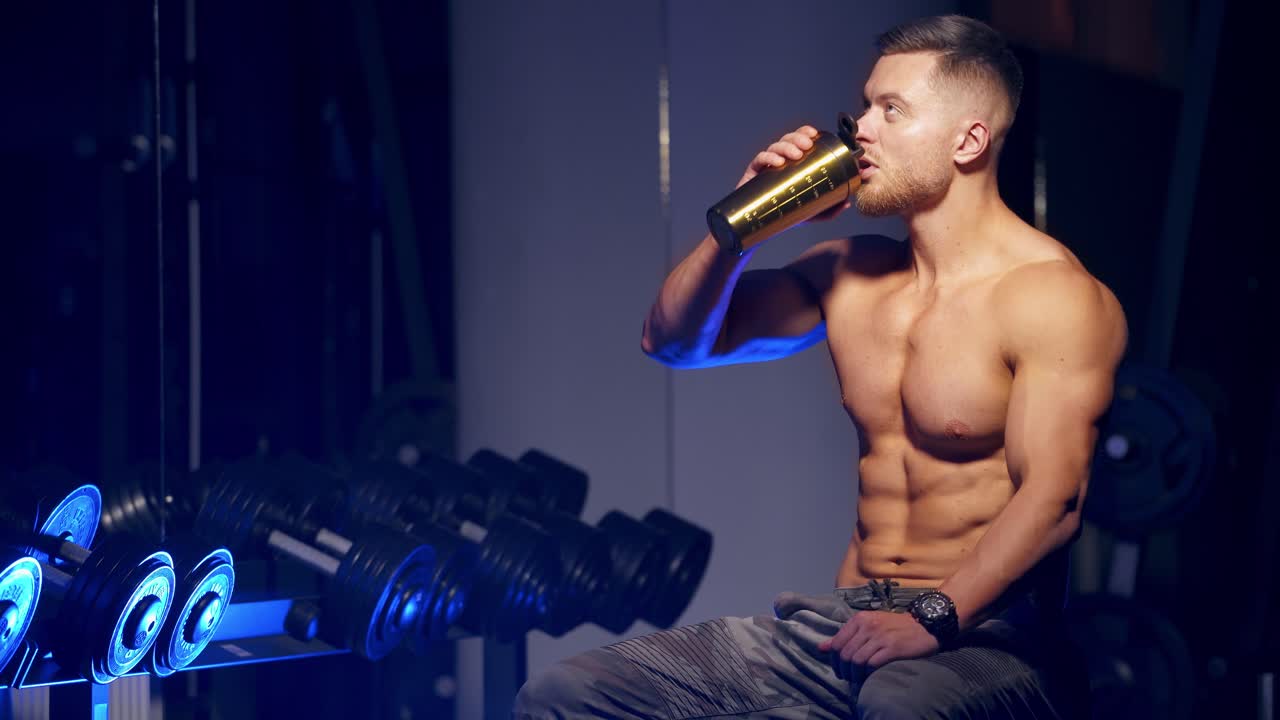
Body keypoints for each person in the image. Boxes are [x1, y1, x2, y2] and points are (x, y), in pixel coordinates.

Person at [513, 13, 1127, 720]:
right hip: (845, 624)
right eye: (865, 104)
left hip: (987, 636)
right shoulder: (852, 275)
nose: (860, 127)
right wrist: (743, 222)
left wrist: (931, 618)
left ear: (968, 140)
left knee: (901, 710)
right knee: (566, 695)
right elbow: (672, 341)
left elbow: (1055, 502)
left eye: (890, 110)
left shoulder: (1052, 297)